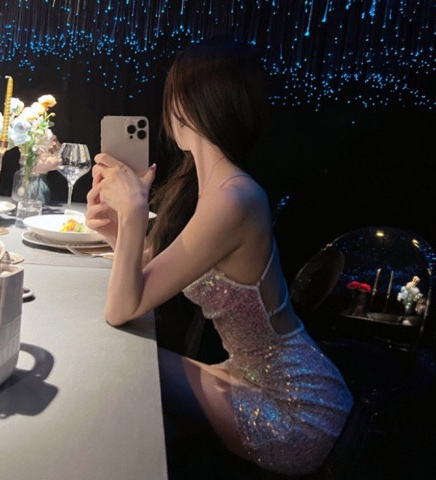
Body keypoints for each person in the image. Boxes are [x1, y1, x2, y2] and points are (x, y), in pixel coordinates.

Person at [86, 38, 354, 476]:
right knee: (132, 390)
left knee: (128, 369)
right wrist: (116, 230)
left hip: (297, 409)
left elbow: (122, 309)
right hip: (248, 376)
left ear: (183, 106)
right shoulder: (213, 188)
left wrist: (134, 214)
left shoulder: (235, 198)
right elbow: (150, 275)